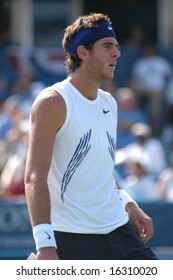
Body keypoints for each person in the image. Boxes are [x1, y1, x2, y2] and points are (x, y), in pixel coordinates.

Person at [24, 13, 158, 260]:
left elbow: (102, 170)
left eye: (116, 46)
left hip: (118, 229)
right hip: (70, 236)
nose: (117, 53)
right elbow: (34, 177)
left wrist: (129, 204)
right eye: (107, 46)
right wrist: (44, 244)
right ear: (83, 53)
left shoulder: (109, 102)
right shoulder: (52, 102)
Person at [130, 43, 172, 136]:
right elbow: (135, 78)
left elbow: (169, 75)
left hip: (157, 90)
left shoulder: (161, 61)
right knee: (132, 88)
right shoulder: (141, 62)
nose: (148, 52)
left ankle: (154, 132)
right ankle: (134, 111)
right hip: (143, 89)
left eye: (150, 49)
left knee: (154, 111)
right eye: (146, 50)